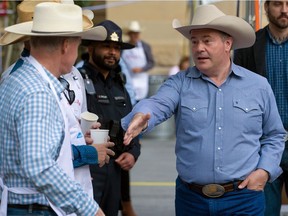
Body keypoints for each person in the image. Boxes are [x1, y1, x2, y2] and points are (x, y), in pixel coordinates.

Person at [121, 4, 286, 215]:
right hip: (192, 201)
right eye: (195, 41)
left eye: (207, 40)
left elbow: (274, 135)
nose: (199, 48)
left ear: (228, 44)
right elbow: (157, 103)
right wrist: (140, 116)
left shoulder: (258, 86)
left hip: (244, 199)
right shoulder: (179, 83)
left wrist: (264, 171)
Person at [0, 2, 109, 215]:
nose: (78, 53)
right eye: (78, 45)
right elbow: (40, 166)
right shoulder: (37, 91)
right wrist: (90, 209)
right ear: (66, 45)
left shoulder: (21, 80)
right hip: (34, 208)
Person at [78, 20, 141, 216]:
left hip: (115, 171)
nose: (112, 52)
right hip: (87, 169)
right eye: (106, 46)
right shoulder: (77, 79)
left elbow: (133, 124)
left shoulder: (119, 83)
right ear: (90, 47)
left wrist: (133, 153)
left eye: (116, 48)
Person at [233, 1, 288, 215]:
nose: (284, 9)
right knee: (264, 211)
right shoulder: (248, 47)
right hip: (262, 146)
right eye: (277, 4)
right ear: (266, 7)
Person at [121, 20, 155, 102]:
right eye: (132, 33)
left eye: (136, 33)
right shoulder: (123, 47)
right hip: (127, 80)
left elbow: (151, 63)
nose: (134, 35)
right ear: (129, 34)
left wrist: (141, 69)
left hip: (142, 80)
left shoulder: (145, 46)